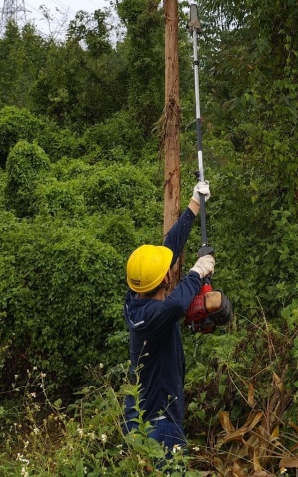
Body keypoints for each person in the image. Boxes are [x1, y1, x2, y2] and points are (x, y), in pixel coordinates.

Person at [123, 178, 216, 457]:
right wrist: (196, 275)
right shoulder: (152, 316)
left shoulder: (135, 299)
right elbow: (175, 306)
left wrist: (194, 205)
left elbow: (170, 249)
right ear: (166, 278)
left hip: (140, 418)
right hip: (157, 425)